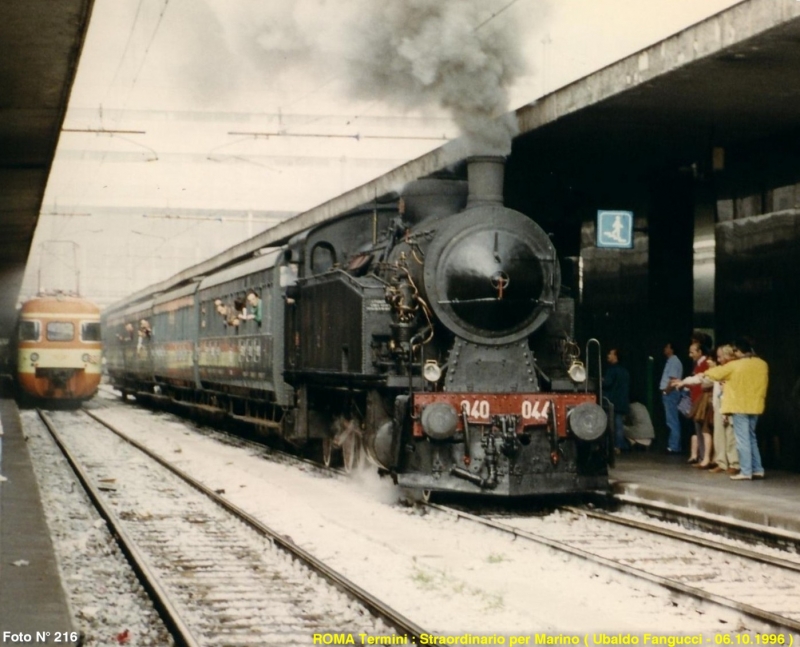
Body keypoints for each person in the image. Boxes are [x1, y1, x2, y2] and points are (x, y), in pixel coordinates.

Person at [673, 336, 767, 481]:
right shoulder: (762, 364)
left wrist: (684, 382)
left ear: (740, 351)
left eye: (735, 351)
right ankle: (758, 469)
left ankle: (746, 471)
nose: (734, 354)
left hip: (739, 405)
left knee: (742, 440)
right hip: (755, 406)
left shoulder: (735, 365)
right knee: (752, 438)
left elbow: (709, 375)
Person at [708, 345, 739, 475]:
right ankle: (721, 462)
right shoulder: (720, 369)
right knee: (719, 435)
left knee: (730, 435)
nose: (719, 359)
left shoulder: (735, 368)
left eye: (721, 356)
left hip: (731, 404)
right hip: (719, 403)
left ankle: (734, 463)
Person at [684, 341, 711, 466]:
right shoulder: (697, 365)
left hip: (702, 402)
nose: (690, 355)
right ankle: (701, 457)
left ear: (700, 352)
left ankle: (705, 458)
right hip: (695, 401)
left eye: (692, 352)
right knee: (698, 431)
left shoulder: (706, 364)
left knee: (704, 431)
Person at [602, 347, 630, 453]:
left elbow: (607, 383)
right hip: (622, 402)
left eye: (610, 354)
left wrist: (602, 380)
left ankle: (612, 446)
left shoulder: (612, 370)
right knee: (619, 425)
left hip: (612, 401)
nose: (608, 356)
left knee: (612, 425)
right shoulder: (625, 371)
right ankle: (619, 445)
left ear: (615, 356)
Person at [659, 342, 684, 453]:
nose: (665, 348)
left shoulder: (674, 361)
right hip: (670, 393)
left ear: (672, 349)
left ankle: (673, 446)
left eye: (667, 347)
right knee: (671, 419)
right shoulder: (671, 361)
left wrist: (666, 392)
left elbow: (673, 379)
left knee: (672, 420)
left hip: (671, 394)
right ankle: (673, 445)